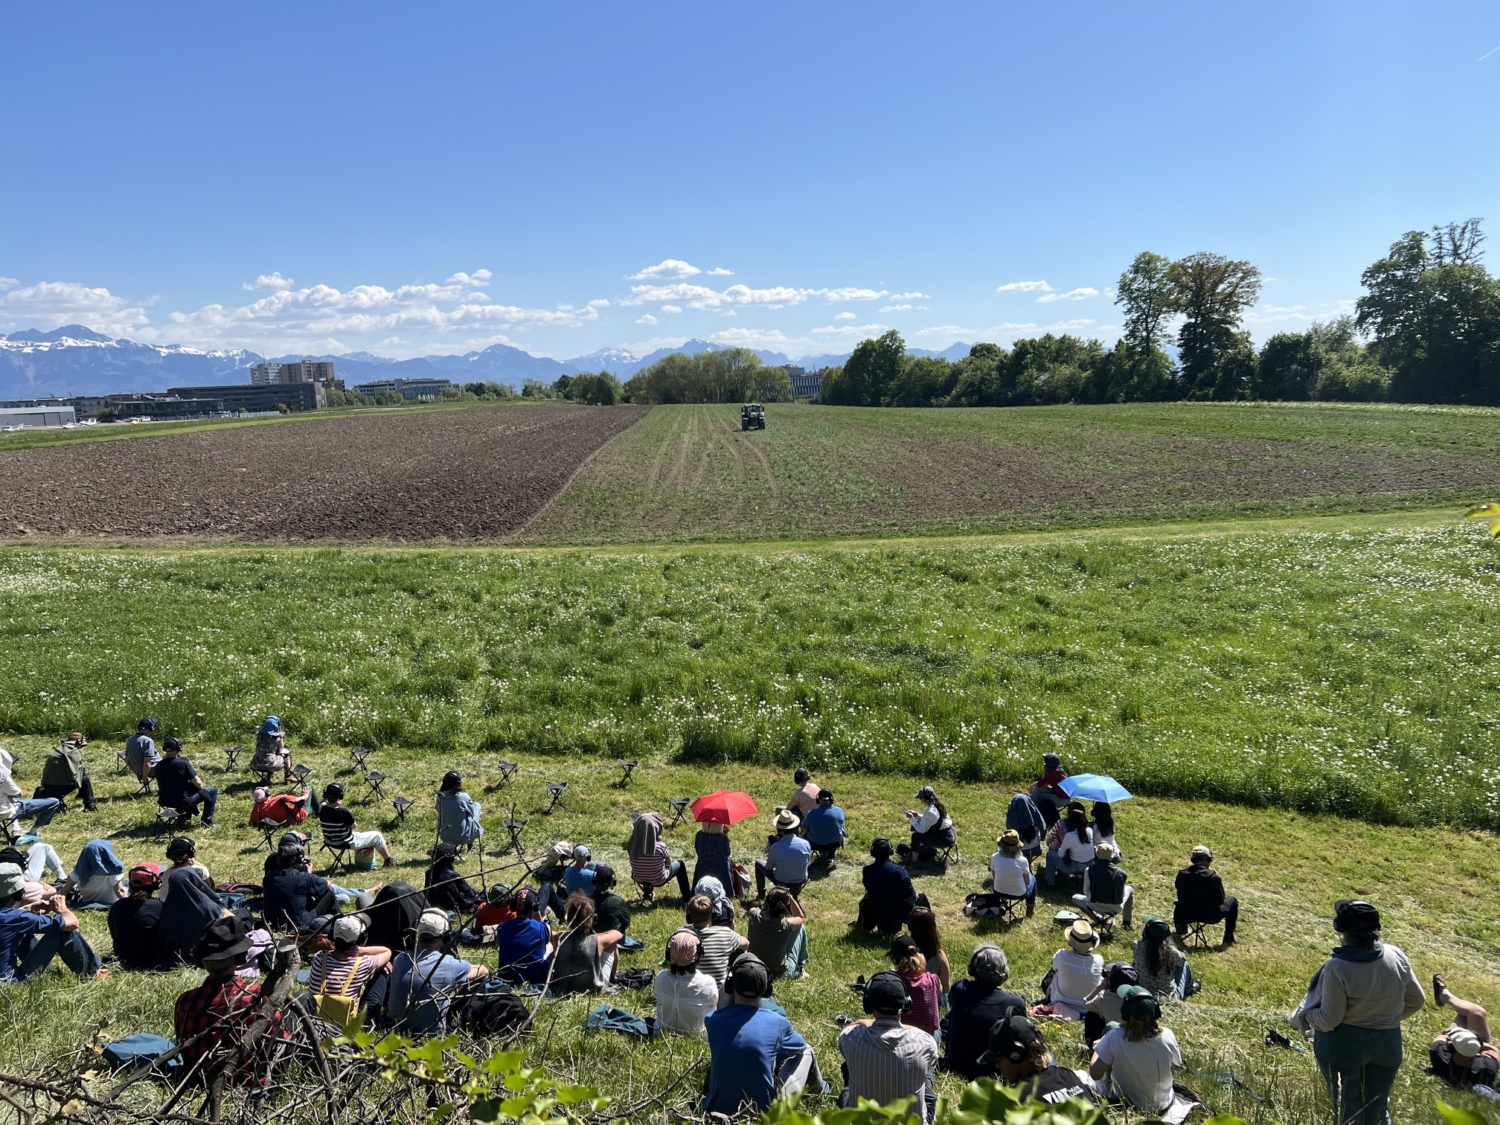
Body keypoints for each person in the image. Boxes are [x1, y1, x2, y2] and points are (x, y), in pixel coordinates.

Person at [1289, 899, 1424, 1125]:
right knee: (1379, 1107)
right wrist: (1386, 1018)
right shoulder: (1395, 954)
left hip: (1345, 1045)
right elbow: (1417, 1000)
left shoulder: (1337, 967)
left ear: (1340, 928)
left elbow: (1329, 1020)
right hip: (1388, 1043)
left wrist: (1306, 1015)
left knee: (1347, 1108)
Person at [703, 954, 821, 1116]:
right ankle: (822, 1091)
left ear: (730, 985)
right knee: (807, 1051)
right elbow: (798, 1048)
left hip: (715, 1109)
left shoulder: (712, 1021)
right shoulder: (778, 1023)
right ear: (767, 989)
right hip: (764, 1115)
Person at [174, 916, 285, 1085]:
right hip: (247, 1083)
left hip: (200, 1082)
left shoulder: (184, 1002)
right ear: (240, 957)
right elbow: (281, 1040)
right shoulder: (256, 997)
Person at [839, 971, 940, 1122]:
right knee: (926, 1078)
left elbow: (850, 1028)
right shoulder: (925, 1042)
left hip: (863, 1122)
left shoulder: (849, 1037)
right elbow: (921, 1036)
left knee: (847, 1087)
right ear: (906, 1003)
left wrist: (863, 1021)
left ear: (868, 1004)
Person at [389, 908, 488, 1034]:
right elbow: (483, 970)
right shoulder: (449, 963)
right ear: (446, 937)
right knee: (478, 979)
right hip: (433, 1033)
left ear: (415, 934)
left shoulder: (400, 958)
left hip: (396, 1029)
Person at [0, 862, 102, 982]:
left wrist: (27, 909)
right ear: (18, 893)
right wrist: (62, 909)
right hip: (8, 983)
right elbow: (72, 923)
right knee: (62, 931)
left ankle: (44, 968)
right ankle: (91, 973)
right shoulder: (18, 918)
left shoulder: (15, 918)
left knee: (22, 931)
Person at [1089, 986, 1183, 1114]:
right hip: (1163, 1105)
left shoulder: (1115, 1036)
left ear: (1126, 1012)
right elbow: (1174, 1063)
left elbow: (1095, 1074)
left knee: (1111, 1026)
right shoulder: (1168, 1034)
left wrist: (1099, 1047)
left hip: (1125, 1102)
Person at [943, 944, 1027, 1080]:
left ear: (972, 969)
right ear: (1004, 971)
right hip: (995, 1072)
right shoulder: (1014, 1003)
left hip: (956, 1067)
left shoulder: (959, 989)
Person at [981, 1014, 1096, 1103]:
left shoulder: (1017, 1100)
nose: (997, 1065)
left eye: (998, 1059)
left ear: (1016, 1056)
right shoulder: (1068, 1075)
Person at [307, 913, 392, 1027]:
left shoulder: (319, 957)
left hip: (315, 1021)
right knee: (381, 972)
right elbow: (387, 951)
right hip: (345, 1025)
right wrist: (361, 951)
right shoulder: (364, 963)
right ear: (362, 938)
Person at [1429, 975, 1499, 1091]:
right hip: (1467, 1049)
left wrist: (1452, 1033)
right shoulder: (1486, 1069)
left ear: (1452, 1046)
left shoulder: (1440, 1056)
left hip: (1467, 1049)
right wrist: (1479, 1045)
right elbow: (1494, 1051)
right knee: (1477, 1013)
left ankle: (1445, 996)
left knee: (1466, 1015)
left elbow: (1441, 1037)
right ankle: (1445, 997)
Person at [550, 892, 623, 995]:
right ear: (593, 918)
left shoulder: (558, 937)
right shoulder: (598, 940)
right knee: (613, 945)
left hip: (562, 987)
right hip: (591, 989)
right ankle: (611, 979)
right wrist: (594, 932)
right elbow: (617, 934)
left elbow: (548, 932)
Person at [263, 840, 342, 934]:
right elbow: (328, 884)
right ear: (299, 859)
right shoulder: (304, 878)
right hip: (300, 925)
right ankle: (341, 923)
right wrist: (308, 874)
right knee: (330, 894)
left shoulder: (268, 877)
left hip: (274, 924)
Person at [676, 892, 747, 989]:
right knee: (740, 950)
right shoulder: (725, 933)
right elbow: (746, 943)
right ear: (712, 915)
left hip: (689, 991)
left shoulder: (681, 935)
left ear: (689, 917)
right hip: (719, 994)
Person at [654, 930, 718, 1036]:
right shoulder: (708, 983)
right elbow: (713, 1007)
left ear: (669, 954)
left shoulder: (661, 977)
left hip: (662, 1033)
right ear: (698, 953)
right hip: (697, 1037)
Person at [1174, 844, 1239, 946]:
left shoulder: (1182, 874)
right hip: (1211, 916)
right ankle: (1228, 938)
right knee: (1233, 900)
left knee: (1178, 903)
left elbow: (1179, 892)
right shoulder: (1214, 878)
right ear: (1206, 859)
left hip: (1185, 915)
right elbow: (1221, 900)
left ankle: (1180, 932)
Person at [1040, 920, 1103, 1020]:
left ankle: (1048, 998)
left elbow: (1053, 964)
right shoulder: (1099, 960)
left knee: (1053, 972)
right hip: (1088, 1007)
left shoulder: (1062, 955)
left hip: (1062, 1002)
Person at [318, 783, 393, 867]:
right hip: (346, 842)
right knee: (377, 836)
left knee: (360, 835)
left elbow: (327, 805)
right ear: (340, 797)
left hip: (330, 841)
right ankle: (389, 861)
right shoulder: (342, 812)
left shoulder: (322, 809)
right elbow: (354, 826)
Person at [108, 863, 165, 970]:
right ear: (157, 884)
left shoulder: (117, 905)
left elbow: (114, 935)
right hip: (153, 960)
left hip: (123, 958)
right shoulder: (161, 906)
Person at [854, 838, 916, 935]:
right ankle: (924, 931)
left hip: (874, 913)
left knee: (867, 897)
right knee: (922, 899)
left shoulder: (867, 871)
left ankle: (864, 923)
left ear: (872, 852)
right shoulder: (900, 871)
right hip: (895, 915)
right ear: (890, 852)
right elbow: (911, 898)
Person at [627, 810, 691, 902]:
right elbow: (668, 861)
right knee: (680, 865)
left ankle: (648, 892)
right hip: (658, 879)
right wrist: (666, 866)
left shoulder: (632, 845)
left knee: (646, 867)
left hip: (639, 877)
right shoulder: (660, 846)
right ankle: (687, 897)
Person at [747, 887, 808, 980]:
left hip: (754, 967)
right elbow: (800, 917)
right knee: (800, 927)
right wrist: (791, 898)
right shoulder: (786, 925)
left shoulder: (753, 913)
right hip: (779, 974)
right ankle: (800, 968)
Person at [154, 738, 218, 827]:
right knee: (212, 790)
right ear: (178, 748)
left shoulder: (159, 765)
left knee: (187, 790)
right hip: (183, 801)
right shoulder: (183, 764)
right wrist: (200, 789)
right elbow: (198, 784)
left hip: (164, 800)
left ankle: (183, 817)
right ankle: (207, 821)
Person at [496, 887, 553, 986]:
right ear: (535, 907)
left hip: (507, 978)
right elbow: (543, 928)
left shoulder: (502, 927)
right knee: (550, 943)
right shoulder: (542, 928)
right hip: (535, 978)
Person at [1072, 841, 1133, 928]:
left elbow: (1086, 891)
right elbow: (1122, 895)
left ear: (1097, 854)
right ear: (1112, 856)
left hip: (1094, 905)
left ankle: (1099, 920)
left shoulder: (1089, 870)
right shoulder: (1122, 873)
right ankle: (1126, 923)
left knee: (1075, 898)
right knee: (1129, 889)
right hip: (1116, 907)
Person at [890, 935, 941, 1038]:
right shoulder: (933, 979)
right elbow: (940, 992)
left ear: (895, 960)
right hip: (930, 1036)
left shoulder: (896, 982)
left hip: (905, 1036)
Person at [756, 809, 812, 898]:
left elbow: (769, 867)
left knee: (758, 863)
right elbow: (807, 862)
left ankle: (761, 894)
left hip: (782, 881)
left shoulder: (776, 847)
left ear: (780, 830)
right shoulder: (806, 843)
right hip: (801, 880)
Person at [1, 747, 61, 830]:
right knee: (54, 802)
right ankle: (32, 832)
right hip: (4, 812)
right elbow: (18, 794)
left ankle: (16, 829)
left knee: (12, 801)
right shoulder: (3, 778)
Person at [35, 733, 98, 813]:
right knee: (84, 778)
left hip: (47, 785)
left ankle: (76, 796)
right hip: (60, 787)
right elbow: (73, 774)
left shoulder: (58, 750)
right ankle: (89, 804)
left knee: (82, 773)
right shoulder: (73, 751)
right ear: (78, 742)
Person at [1134, 916, 1194, 1000]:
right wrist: (1171, 942)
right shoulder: (1171, 951)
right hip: (1168, 998)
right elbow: (1182, 960)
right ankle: (1189, 989)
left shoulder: (1137, 946)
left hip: (1143, 993)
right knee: (1184, 965)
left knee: (1135, 962)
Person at [57, 839, 126, 906]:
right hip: (109, 902)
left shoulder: (79, 871)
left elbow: (65, 890)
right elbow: (119, 891)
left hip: (86, 901)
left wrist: (54, 899)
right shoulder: (112, 871)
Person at [366, 881, 427, 953]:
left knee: (363, 898)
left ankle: (366, 892)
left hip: (381, 954)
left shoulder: (378, 920)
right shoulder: (425, 921)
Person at [899, 786, 955, 863]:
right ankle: (917, 849)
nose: (920, 800)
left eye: (920, 798)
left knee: (916, 836)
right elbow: (929, 820)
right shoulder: (935, 805)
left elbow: (922, 830)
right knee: (916, 825)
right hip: (948, 834)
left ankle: (913, 860)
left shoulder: (931, 811)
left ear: (925, 798)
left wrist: (911, 818)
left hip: (945, 839)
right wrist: (917, 815)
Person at [989, 830, 1037, 918]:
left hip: (998, 891)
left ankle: (1002, 902)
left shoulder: (994, 857)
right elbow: (1027, 882)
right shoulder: (1023, 861)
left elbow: (994, 877)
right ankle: (1030, 909)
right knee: (1033, 879)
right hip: (1019, 894)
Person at [1043, 804, 1094, 887]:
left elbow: (1060, 854)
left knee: (1051, 854)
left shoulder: (1070, 836)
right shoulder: (1090, 831)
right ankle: (1063, 877)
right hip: (1091, 866)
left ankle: (1050, 883)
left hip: (1075, 867)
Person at [424, 843, 480, 915]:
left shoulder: (429, 873)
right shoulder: (451, 875)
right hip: (450, 905)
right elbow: (467, 893)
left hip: (433, 904)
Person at [907, 907, 951, 993]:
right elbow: (945, 989)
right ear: (933, 926)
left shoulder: (905, 955)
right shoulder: (939, 955)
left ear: (910, 927)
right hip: (934, 1001)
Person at [436, 771, 483, 850]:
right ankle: (471, 839)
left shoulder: (440, 797)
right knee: (477, 805)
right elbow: (471, 813)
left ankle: (453, 845)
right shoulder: (464, 797)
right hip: (464, 837)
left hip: (444, 837)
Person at [158, 835, 213, 902]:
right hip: (192, 907)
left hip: (170, 908)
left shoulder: (166, 873)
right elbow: (206, 872)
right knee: (208, 880)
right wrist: (195, 862)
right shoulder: (199, 870)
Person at [803, 789, 847, 863]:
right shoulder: (839, 810)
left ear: (818, 800)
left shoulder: (811, 813)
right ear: (831, 799)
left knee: (804, 836)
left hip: (815, 844)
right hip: (835, 843)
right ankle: (830, 856)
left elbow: (804, 830)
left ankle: (805, 858)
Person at [693, 820, 734, 896]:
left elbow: (698, 852)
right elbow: (727, 853)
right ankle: (728, 890)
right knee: (729, 862)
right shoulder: (723, 837)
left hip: (702, 868)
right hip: (720, 870)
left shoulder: (699, 835)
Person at [249, 715, 294, 783]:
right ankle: (288, 777)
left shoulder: (259, 735)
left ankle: (269, 776)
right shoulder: (277, 736)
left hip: (255, 764)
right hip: (270, 764)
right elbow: (281, 749)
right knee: (286, 755)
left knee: (270, 755)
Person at [1029, 752, 1070, 826]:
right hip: (1058, 793)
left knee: (1042, 795)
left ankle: (1031, 809)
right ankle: (1031, 805)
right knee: (1039, 790)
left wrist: (1031, 786)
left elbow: (1041, 783)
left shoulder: (1054, 774)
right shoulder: (1058, 770)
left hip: (1062, 800)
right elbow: (1044, 784)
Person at [590, 864, 632, 936]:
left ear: (594, 882)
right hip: (612, 943)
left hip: (592, 941)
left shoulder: (586, 901)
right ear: (613, 883)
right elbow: (626, 923)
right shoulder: (617, 901)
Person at [1005, 793, 1046, 862]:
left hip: (1019, 851)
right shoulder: (1035, 815)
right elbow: (1043, 829)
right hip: (1036, 849)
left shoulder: (1013, 820)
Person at [124, 718, 161, 782]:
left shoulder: (130, 739)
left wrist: (137, 773)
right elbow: (147, 763)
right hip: (155, 770)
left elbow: (127, 760)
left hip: (141, 771)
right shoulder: (147, 741)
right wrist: (144, 777)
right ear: (150, 728)